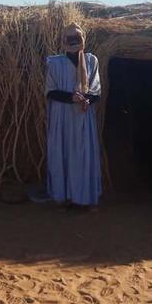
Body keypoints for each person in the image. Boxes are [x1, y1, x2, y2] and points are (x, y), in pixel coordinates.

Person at [44, 23, 102, 208]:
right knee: (63, 153)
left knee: (82, 155)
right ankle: (63, 195)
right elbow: (50, 91)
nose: (74, 41)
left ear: (83, 39)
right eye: (70, 38)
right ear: (63, 41)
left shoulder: (91, 61)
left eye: (77, 37)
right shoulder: (54, 63)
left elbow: (96, 90)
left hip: (83, 117)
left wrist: (87, 100)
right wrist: (71, 97)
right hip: (63, 118)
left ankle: (82, 197)